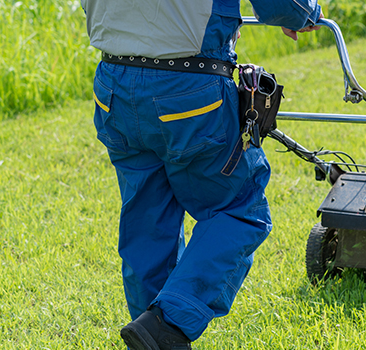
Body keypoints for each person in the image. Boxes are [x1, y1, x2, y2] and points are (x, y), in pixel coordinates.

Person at [80, 0, 322, 349]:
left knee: (148, 221)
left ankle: (153, 334)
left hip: (114, 84)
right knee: (239, 210)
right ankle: (169, 324)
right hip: (189, 87)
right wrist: (304, 14)